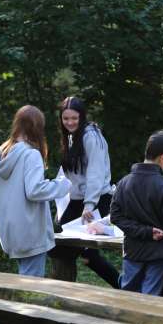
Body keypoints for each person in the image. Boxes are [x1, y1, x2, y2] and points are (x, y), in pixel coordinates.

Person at [0, 105, 71, 324]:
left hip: (9, 228)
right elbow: (34, 190)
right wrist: (62, 186)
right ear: (36, 127)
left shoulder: (2, 151)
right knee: (32, 283)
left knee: (25, 277)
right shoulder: (30, 154)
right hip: (30, 227)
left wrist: (3, 210)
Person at [109, 131, 163, 324]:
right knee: (150, 300)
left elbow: (116, 216)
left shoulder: (124, 182)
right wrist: (155, 233)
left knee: (127, 296)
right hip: (157, 253)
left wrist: (140, 231)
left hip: (132, 251)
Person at [48, 96, 120, 288]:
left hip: (95, 200)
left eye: (74, 118)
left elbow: (95, 174)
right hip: (76, 200)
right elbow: (66, 174)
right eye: (66, 119)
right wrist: (56, 197)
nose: (70, 122)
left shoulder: (91, 136)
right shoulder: (72, 137)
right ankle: (125, 287)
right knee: (79, 253)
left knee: (61, 247)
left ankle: (126, 288)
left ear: (82, 117)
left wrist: (89, 204)